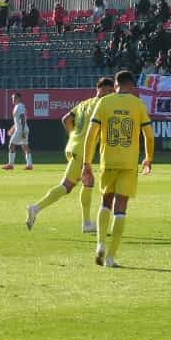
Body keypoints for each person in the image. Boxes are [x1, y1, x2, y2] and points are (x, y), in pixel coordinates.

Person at [79, 69, 155, 268]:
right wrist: (148, 158)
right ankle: (111, 257)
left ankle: (100, 244)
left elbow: (91, 134)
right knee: (121, 207)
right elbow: (149, 135)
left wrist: (87, 163)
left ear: (115, 85)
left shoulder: (104, 102)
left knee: (106, 202)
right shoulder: (138, 105)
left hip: (108, 161)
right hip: (129, 164)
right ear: (131, 85)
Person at [27, 76, 114, 232]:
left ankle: (86, 223)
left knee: (88, 183)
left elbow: (66, 119)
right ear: (102, 89)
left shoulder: (84, 104)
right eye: (110, 91)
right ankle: (36, 208)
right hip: (82, 151)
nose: (111, 94)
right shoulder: (102, 104)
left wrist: (74, 135)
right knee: (66, 186)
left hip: (72, 147)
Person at [4, 93, 32, 171]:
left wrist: (22, 131)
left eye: (15, 97)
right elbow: (18, 121)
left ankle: (10, 164)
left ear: (19, 98)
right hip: (22, 128)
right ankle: (29, 165)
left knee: (11, 145)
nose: (13, 99)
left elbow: (23, 118)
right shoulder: (18, 106)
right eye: (12, 98)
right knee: (25, 147)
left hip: (21, 130)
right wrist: (12, 128)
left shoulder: (19, 106)